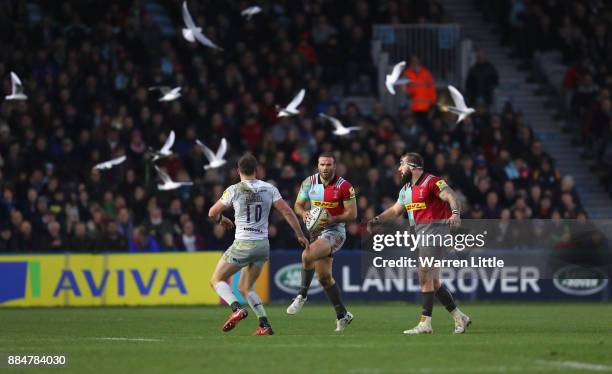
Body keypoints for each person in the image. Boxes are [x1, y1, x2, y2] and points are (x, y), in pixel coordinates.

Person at [368, 152, 471, 334]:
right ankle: (459, 317)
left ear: (413, 167)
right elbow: (395, 210)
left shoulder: (432, 181)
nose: (399, 169)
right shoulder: (406, 189)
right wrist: (377, 219)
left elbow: (451, 196)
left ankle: (425, 323)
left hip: (436, 233)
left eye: (402, 164)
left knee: (424, 276)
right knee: (434, 282)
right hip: (419, 236)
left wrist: (455, 213)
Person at [209, 154, 309, 336]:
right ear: (257, 170)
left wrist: (222, 220)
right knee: (246, 287)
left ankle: (236, 308)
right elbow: (287, 211)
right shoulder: (269, 188)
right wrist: (300, 235)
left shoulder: (234, 189)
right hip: (262, 245)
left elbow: (212, 212)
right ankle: (265, 325)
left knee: (216, 279)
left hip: (243, 243)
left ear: (238, 171)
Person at [286, 152, 357, 332]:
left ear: (335, 166)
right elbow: (298, 205)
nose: (325, 168)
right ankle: (342, 315)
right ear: (318, 165)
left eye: (329, 165)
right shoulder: (309, 183)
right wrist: (304, 213)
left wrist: (332, 219)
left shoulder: (344, 186)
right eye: (322, 164)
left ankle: (302, 295)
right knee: (324, 278)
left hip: (335, 232)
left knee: (307, 255)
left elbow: (352, 214)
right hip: (315, 232)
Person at [405, 56, 437, 123]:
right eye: (413, 60)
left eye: (416, 60)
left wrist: (432, 106)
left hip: (426, 108)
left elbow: (432, 90)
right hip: (412, 108)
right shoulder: (407, 73)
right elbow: (403, 89)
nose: (415, 62)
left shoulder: (426, 73)